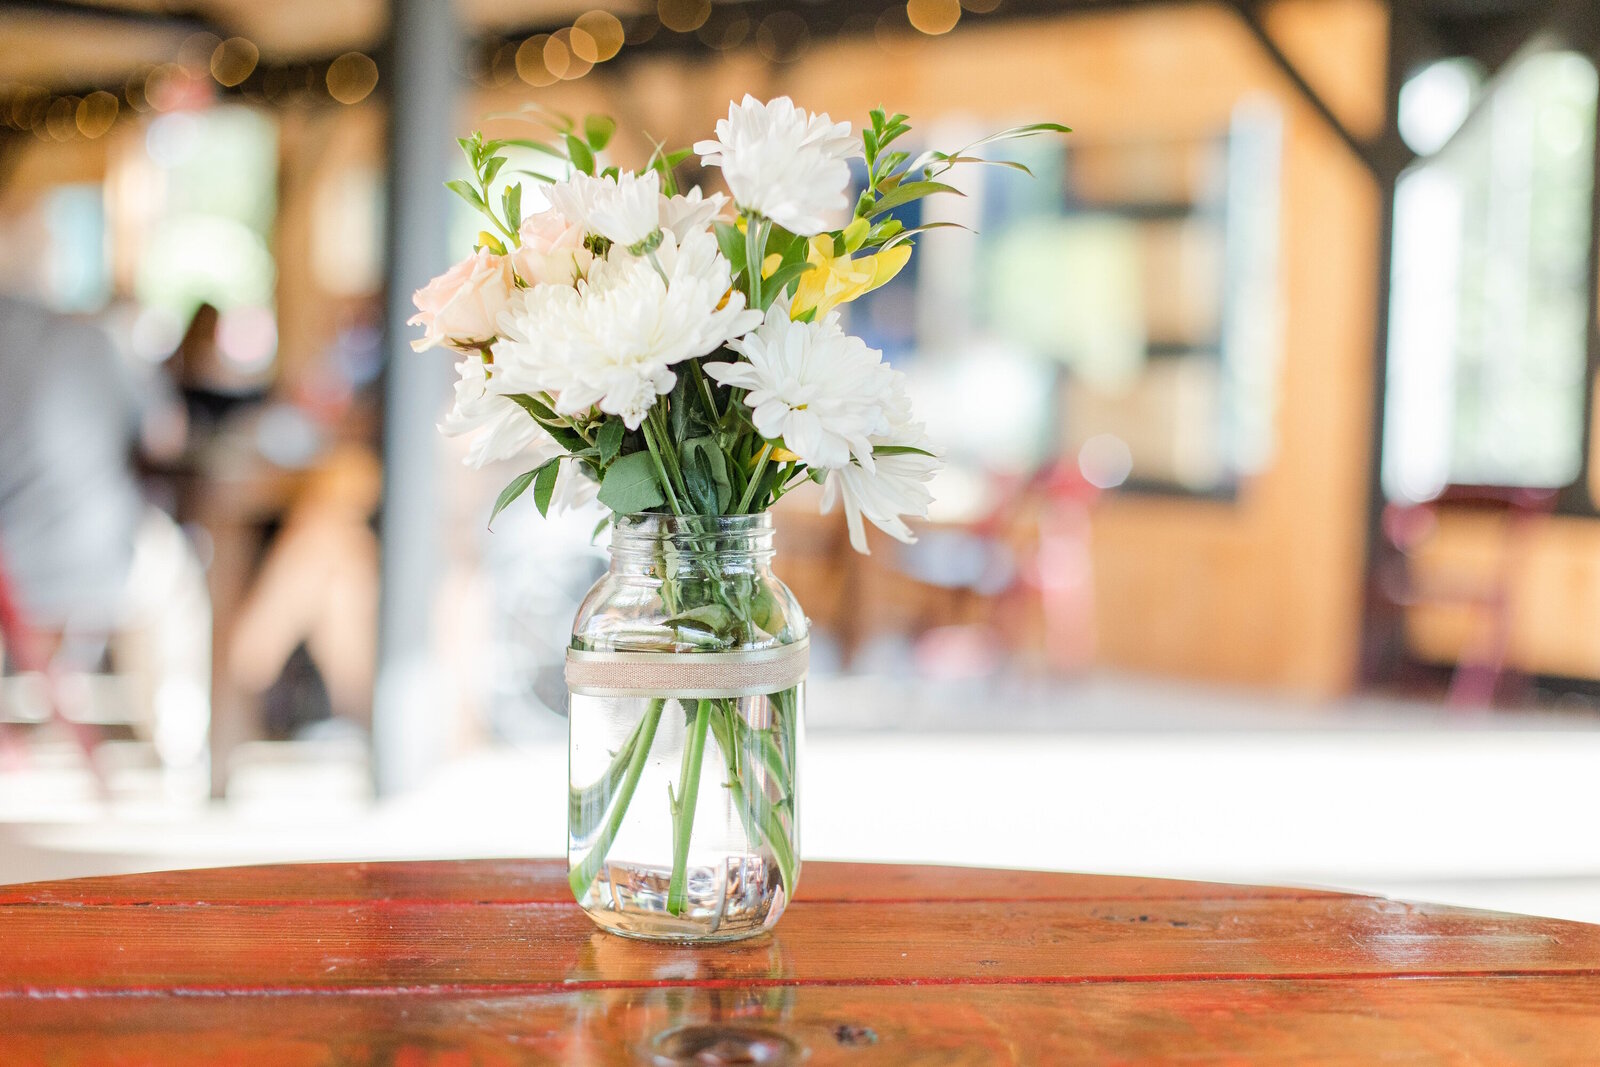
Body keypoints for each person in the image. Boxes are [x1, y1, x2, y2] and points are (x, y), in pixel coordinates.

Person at [0, 294, 144, 629]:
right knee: (179, 585)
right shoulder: (92, 340)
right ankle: (180, 683)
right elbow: (160, 435)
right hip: (100, 567)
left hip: (13, 575)